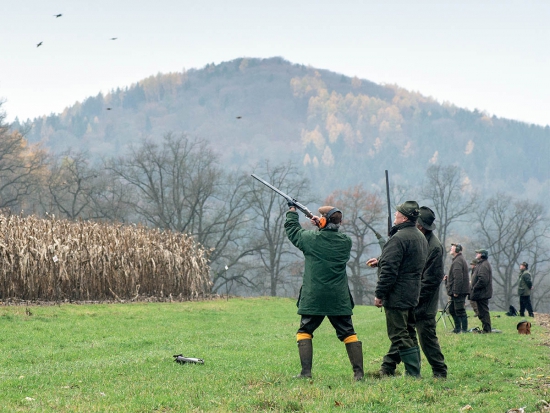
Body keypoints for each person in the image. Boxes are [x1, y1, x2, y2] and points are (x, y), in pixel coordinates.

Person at [284, 204, 363, 381]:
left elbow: (293, 231)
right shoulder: (345, 242)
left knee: (305, 330)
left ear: (324, 220)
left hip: (315, 297)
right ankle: (358, 374)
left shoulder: (311, 239)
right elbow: (328, 237)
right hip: (338, 298)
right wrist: (322, 225)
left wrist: (292, 214)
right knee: (349, 333)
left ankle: (306, 373)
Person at [366, 201, 428, 377]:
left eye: (397, 214)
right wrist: (381, 259)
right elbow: (406, 262)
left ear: (405, 218)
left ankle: (413, 374)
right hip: (412, 292)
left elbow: (390, 271)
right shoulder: (419, 237)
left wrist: (379, 294)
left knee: (398, 335)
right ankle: (412, 372)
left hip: (397, 294)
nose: (395, 216)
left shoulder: (399, 238)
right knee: (409, 332)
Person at [414, 206, 447, 378]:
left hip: (424, 303)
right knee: (402, 335)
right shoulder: (421, 240)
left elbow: (431, 281)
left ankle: (440, 371)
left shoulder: (434, 247)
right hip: (415, 299)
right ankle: (388, 366)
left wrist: (415, 299)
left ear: (420, 226)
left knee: (427, 338)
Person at [446, 243, 470, 333]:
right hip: (457, 290)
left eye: (452, 248)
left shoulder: (458, 261)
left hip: (458, 292)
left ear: (457, 250)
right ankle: (457, 329)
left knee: (460, 311)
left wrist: (456, 291)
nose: (450, 250)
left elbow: (458, 277)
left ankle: (464, 330)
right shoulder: (458, 260)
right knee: (452, 309)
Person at [470, 249, 493, 333]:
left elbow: (483, 280)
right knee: (481, 311)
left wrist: (474, 287)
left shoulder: (484, 265)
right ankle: (485, 328)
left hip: (482, 293)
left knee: (483, 312)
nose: (477, 254)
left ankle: (487, 330)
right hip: (481, 293)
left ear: (482, 255)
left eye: (478, 253)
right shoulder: (482, 264)